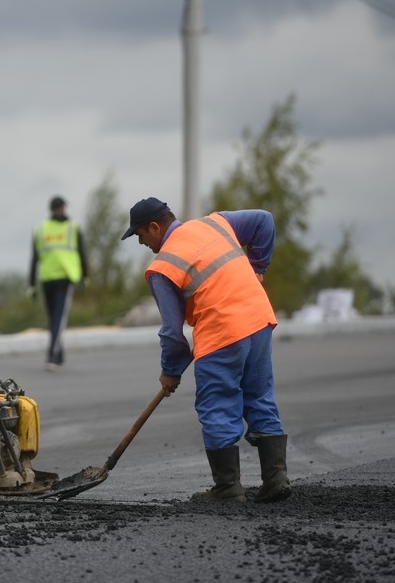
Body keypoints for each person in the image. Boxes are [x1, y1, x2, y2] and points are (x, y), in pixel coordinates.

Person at [120, 197, 290, 503]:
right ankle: (276, 478)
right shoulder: (215, 223)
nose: (141, 242)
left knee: (217, 405)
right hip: (258, 319)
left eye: (140, 235)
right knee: (259, 396)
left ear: (154, 227)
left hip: (221, 332)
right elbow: (264, 220)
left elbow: (172, 332)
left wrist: (170, 372)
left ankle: (227, 488)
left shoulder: (162, 267)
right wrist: (257, 268)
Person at [29, 195, 88, 372]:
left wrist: (31, 283)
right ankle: (53, 356)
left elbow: (34, 258)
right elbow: (82, 252)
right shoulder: (72, 227)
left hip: (50, 277)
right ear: (63, 208)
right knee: (57, 319)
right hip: (62, 276)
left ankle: (57, 355)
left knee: (55, 319)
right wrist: (85, 275)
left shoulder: (41, 228)